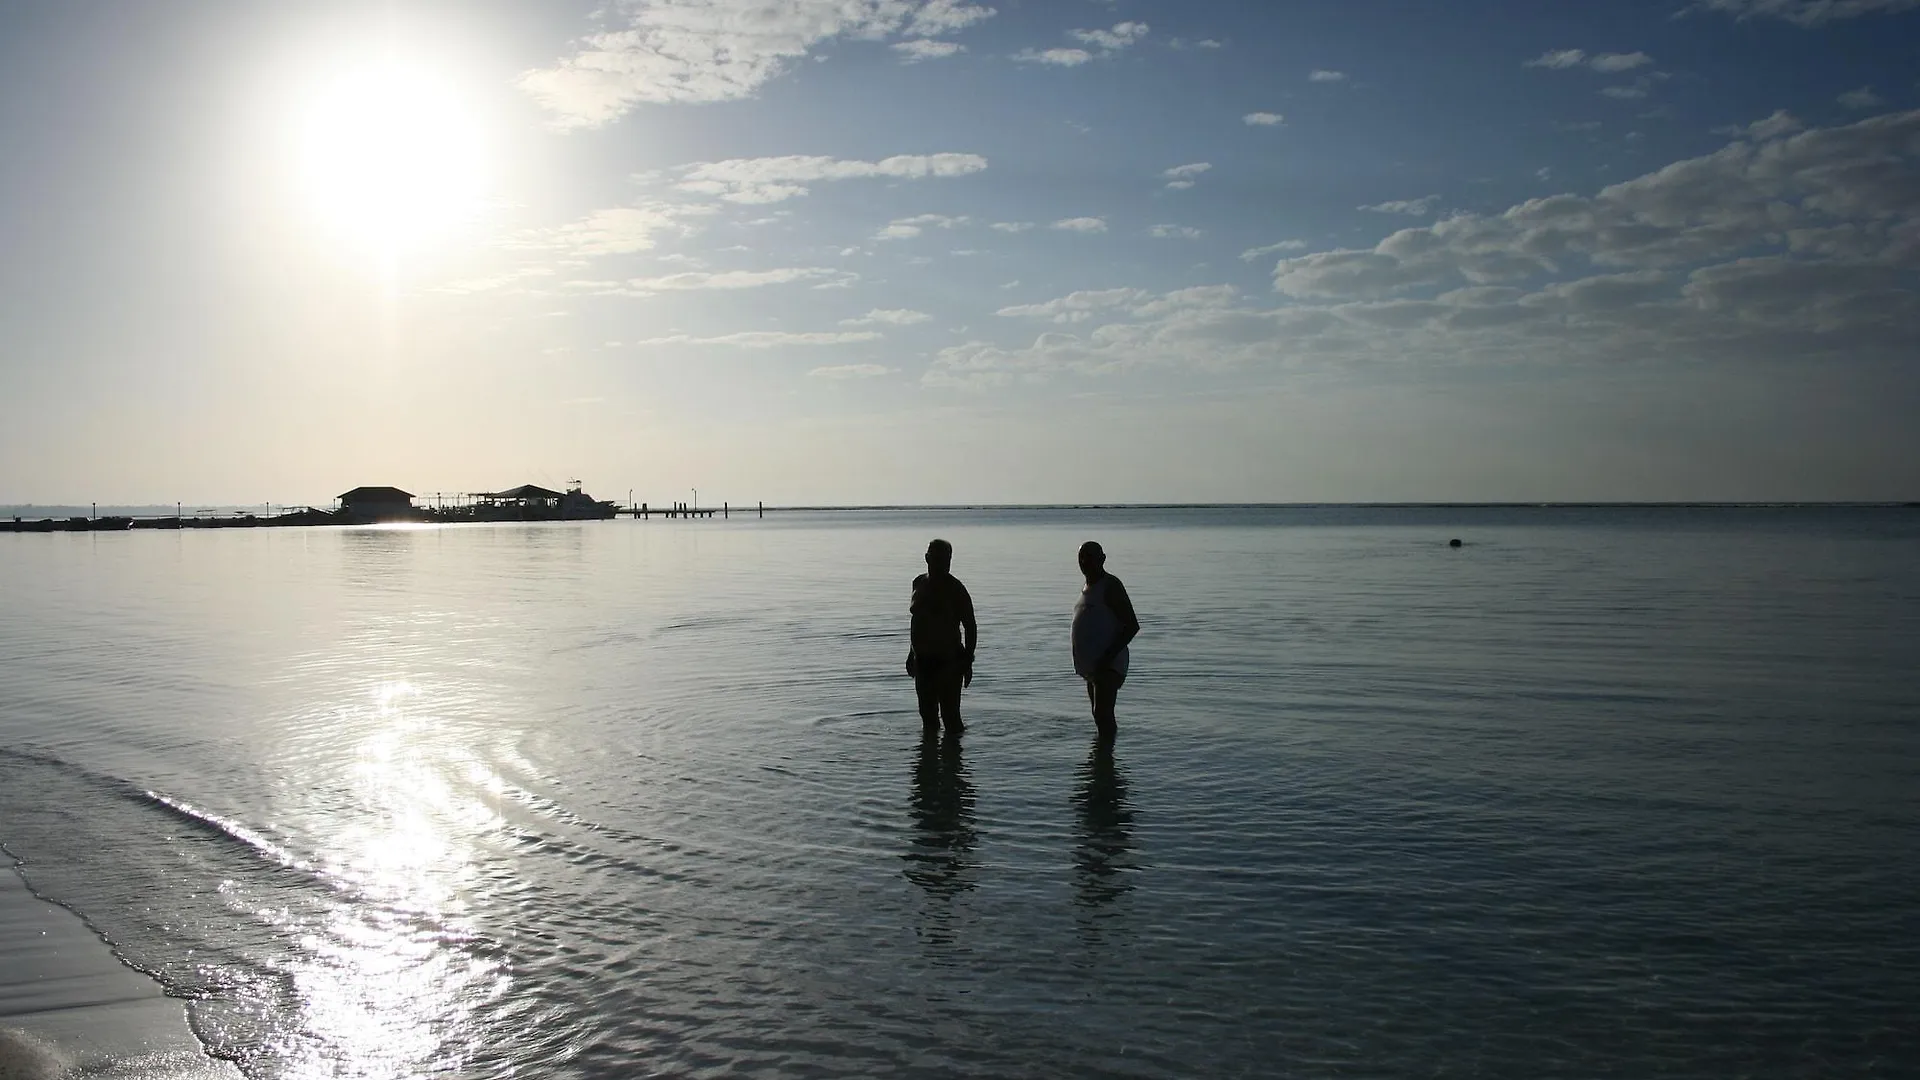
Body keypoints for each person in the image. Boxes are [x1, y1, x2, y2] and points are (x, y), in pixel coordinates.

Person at [906, 539, 976, 732]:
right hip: (923, 662)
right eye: (937, 558)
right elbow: (917, 622)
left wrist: (967, 661)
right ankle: (928, 760)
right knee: (927, 718)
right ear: (927, 558)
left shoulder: (956, 589)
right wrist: (911, 653)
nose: (941, 564)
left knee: (951, 718)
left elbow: (970, 626)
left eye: (945, 559)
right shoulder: (918, 583)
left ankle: (955, 759)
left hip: (949, 662)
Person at [1071, 541, 1139, 739]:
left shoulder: (1110, 585)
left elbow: (1132, 626)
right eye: (1081, 557)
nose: (1085, 561)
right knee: (1098, 715)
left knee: (1103, 713)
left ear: (1102, 559)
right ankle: (1101, 760)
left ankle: (1107, 760)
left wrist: (1107, 657)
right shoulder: (1087, 587)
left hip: (1108, 664)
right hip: (1093, 666)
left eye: (1090, 556)